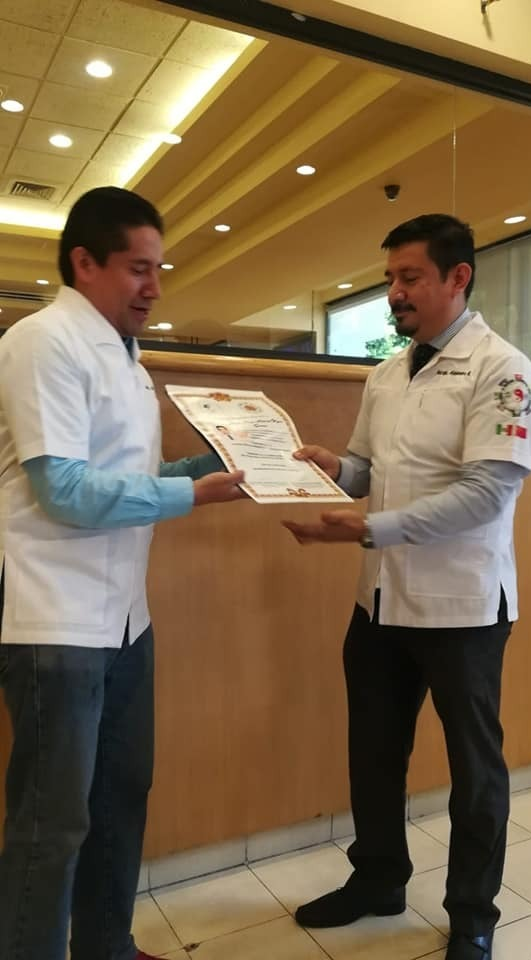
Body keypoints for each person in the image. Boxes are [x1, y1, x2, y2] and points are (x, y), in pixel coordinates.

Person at [284, 214, 531, 960]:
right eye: (390, 279)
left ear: (458, 278)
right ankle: (378, 880)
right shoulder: (387, 373)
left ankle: (473, 916)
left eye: (410, 278)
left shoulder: (506, 372)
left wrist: (369, 528)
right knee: (373, 753)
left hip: (462, 607)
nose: (394, 292)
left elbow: (485, 494)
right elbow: (367, 468)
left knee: (475, 774)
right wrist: (334, 468)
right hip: (379, 603)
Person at [0, 186, 244, 960]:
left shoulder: (128, 358)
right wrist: (191, 494)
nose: (155, 288)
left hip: (126, 620)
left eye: (158, 270)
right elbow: (64, 490)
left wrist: (215, 466)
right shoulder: (44, 342)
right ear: (85, 262)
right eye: (140, 269)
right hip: (55, 619)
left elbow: (135, 477)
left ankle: (107, 947)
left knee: (121, 794)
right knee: (51, 822)